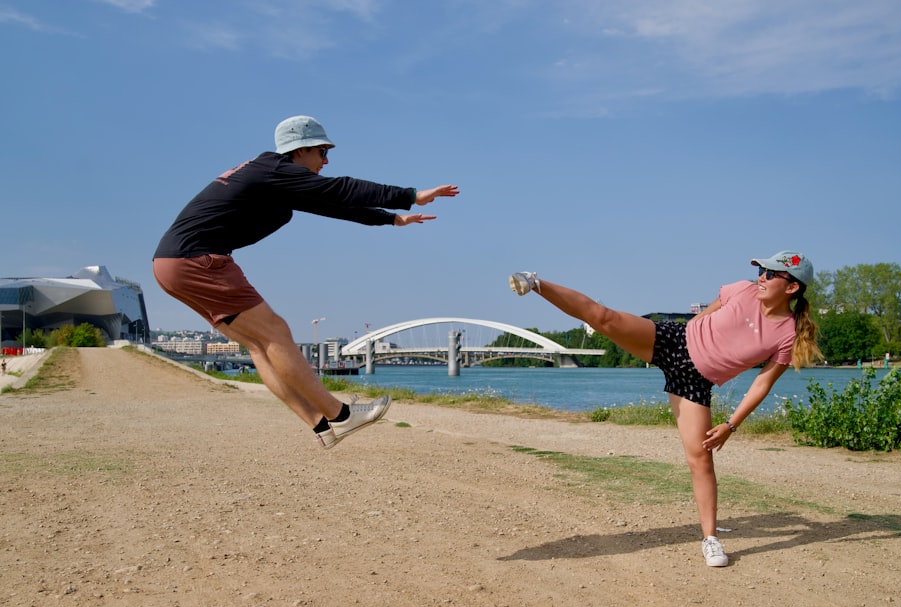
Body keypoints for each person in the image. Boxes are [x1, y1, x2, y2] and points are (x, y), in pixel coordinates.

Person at [153, 115, 459, 449]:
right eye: (323, 151)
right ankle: (341, 415)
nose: (326, 160)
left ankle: (320, 425)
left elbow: (332, 204)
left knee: (259, 345)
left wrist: (390, 218)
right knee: (276, 333)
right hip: (199, 260)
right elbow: (340, 189)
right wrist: (411, 194)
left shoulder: (273, 176)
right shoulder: (275, 171)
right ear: (301, 150)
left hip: (171, 263)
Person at [508, 250, 822, 567]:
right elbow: (704, 317)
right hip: (674, 340)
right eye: (762, 272)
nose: (762, 278)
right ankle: (535, 282)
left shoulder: (788, 334)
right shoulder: (741, 289)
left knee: (701, 458)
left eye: (770, 274)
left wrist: (731, 424)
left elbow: (762, 383)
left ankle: (710, 539)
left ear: (792, 287)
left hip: (695, 383)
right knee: (605, 319)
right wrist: (684, 337)